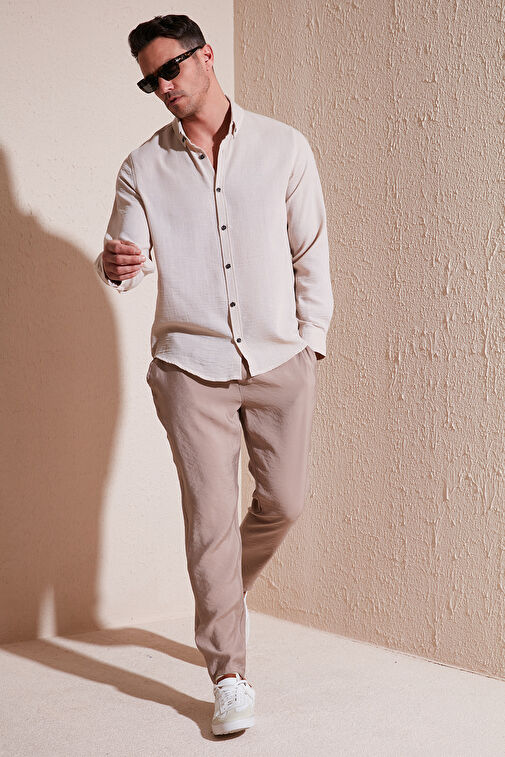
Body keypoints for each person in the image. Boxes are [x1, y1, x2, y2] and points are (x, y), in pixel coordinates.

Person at [94, 13, 334, 737]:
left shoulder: (284, 147)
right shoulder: (142, 166)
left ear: (204, 57)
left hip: (279, 360)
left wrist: (310, 345)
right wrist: (115, 265)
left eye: (169, 69)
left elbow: (310, 253)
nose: (162, 87)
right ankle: (228, 674)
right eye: (149, 81)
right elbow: (124, 260)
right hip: (189, 369)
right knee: (209, 521)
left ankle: (221, 590)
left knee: (284, 501)